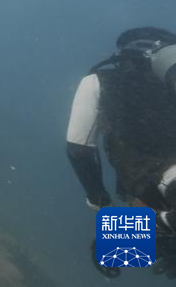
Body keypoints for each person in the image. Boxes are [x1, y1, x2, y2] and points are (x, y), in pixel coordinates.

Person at [66, 27, 176, 278]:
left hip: (155, 187)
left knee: (113, 250)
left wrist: (101, 203)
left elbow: (78, 149)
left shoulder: (101, 82)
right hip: (161, 194)